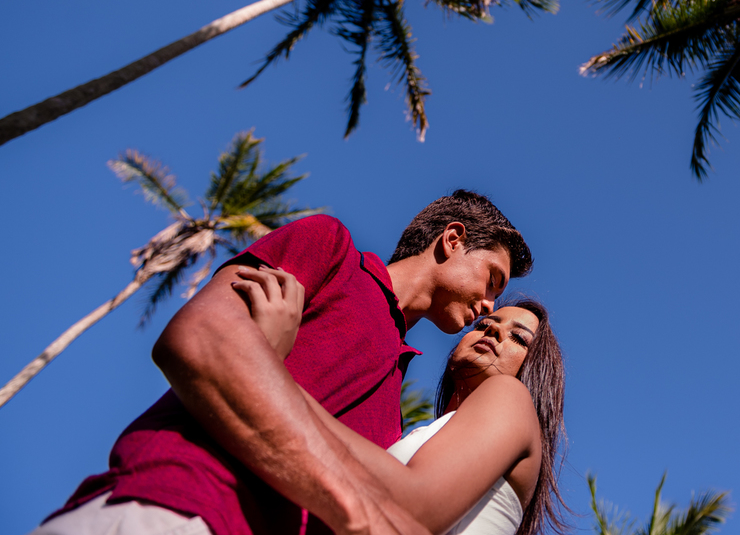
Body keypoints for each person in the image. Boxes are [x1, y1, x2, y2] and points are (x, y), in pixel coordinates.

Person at [32, 190, 533, 535]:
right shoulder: (332, 250)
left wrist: (261, 360)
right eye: (491, 279)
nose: (489, 306)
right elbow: (197, 339)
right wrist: (360, 512)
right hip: (174, 507)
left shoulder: (394, 411)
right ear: (452, 239)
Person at [235, 269, 566, 535]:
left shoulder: (511, 396)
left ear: (534, 369)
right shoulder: (423, 435)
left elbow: (409, 512)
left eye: (518, 337)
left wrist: (270, 369)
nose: (493, 332)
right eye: (485, 325)